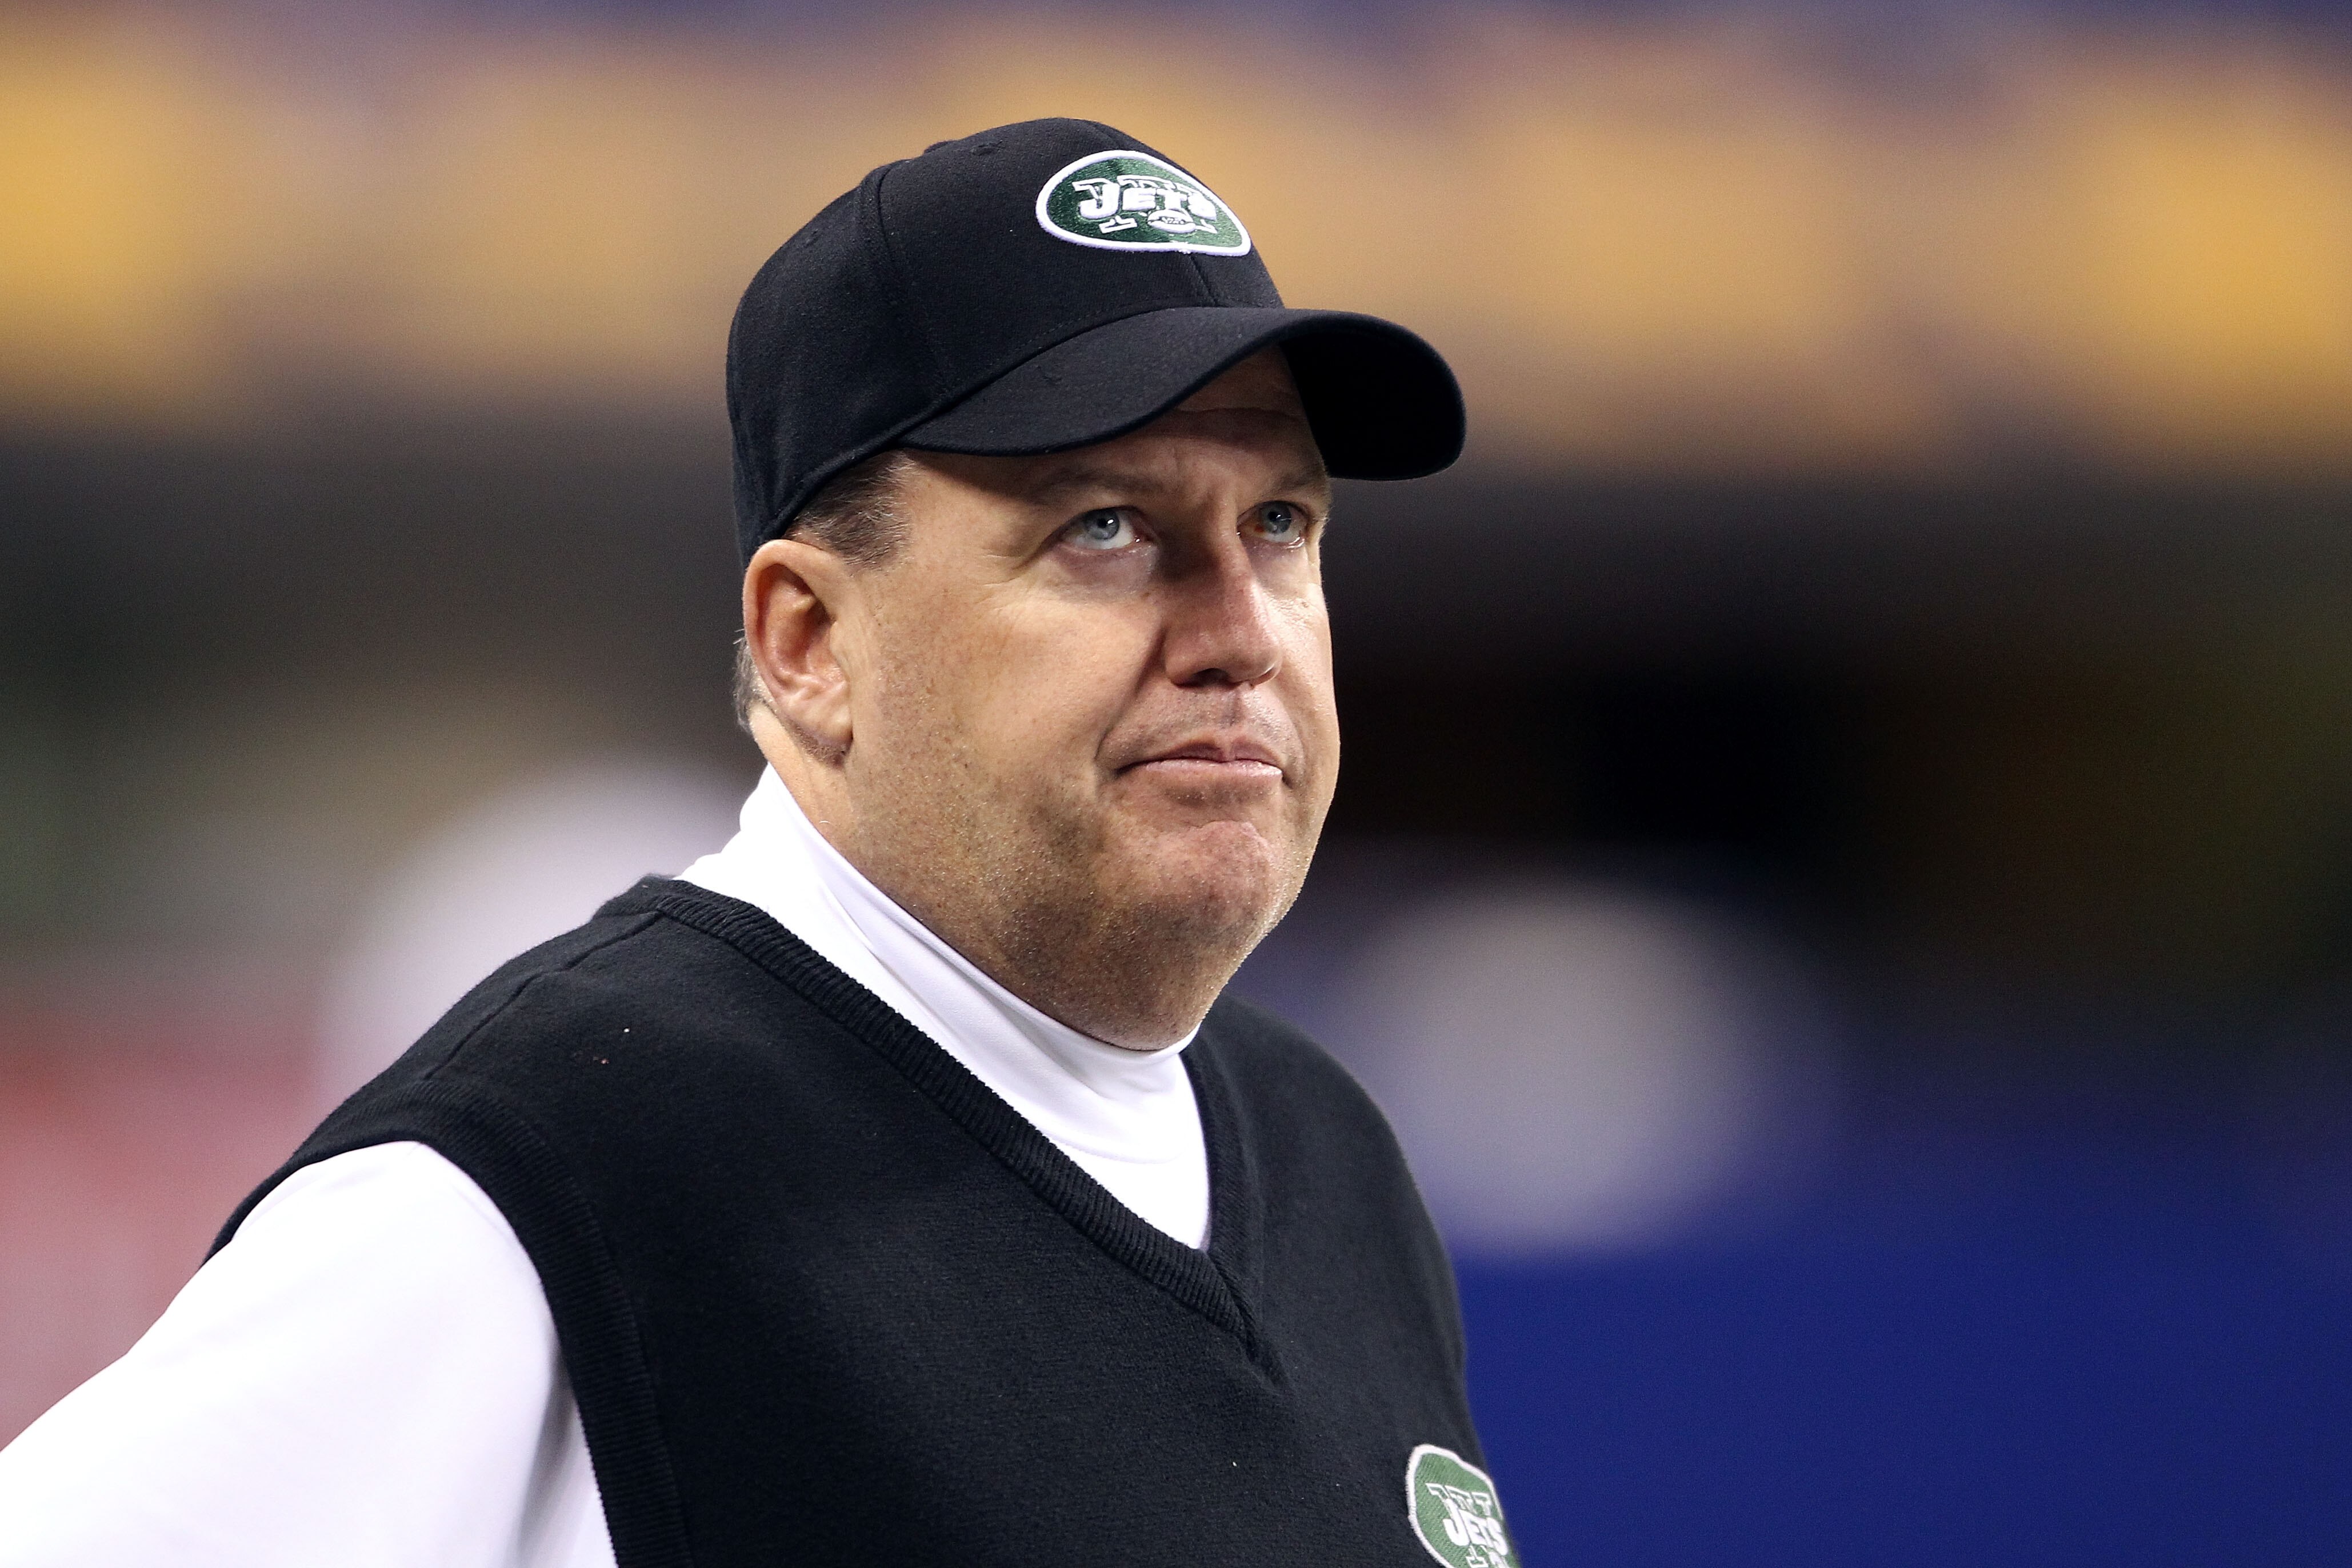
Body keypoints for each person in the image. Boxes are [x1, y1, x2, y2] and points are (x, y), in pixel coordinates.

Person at [0, 118, 1515, 1567]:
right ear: (807, 643)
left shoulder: (1322, 1147)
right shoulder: (564, 1163)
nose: (1242, 633)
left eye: (1282, 526)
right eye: (1105, 527)